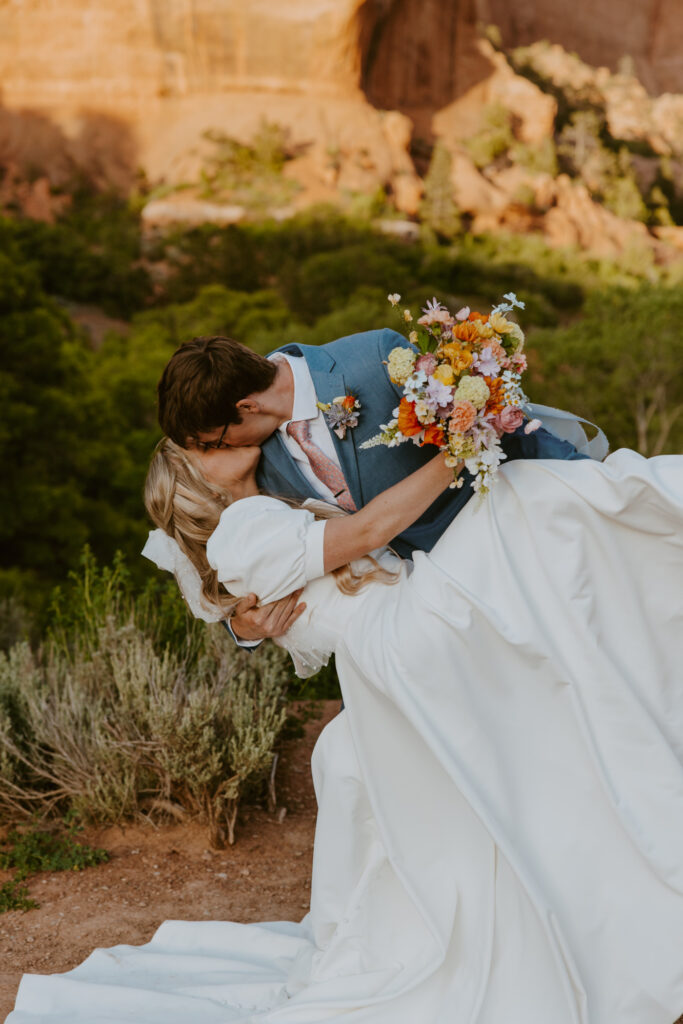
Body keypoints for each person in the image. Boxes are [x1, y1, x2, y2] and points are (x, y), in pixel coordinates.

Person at [9, 435, 682, 1023]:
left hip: (394, 645)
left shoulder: (259, 511)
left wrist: (244, 623)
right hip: (403, 637)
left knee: (539, 554)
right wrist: (457, 450)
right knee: (529, 507)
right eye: (205, 450)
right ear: (198, 482)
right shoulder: (241, 528)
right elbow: (359, 539)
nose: (225, 441)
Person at [156, 331, 604, 645]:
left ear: (246, 406)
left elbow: (502, 427)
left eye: (213, 441)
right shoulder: (253, 467)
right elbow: (251, 565)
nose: (215, 454)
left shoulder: (374, 359)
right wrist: (244, 628)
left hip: (512, 551)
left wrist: (593, 487)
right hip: (413, 620)